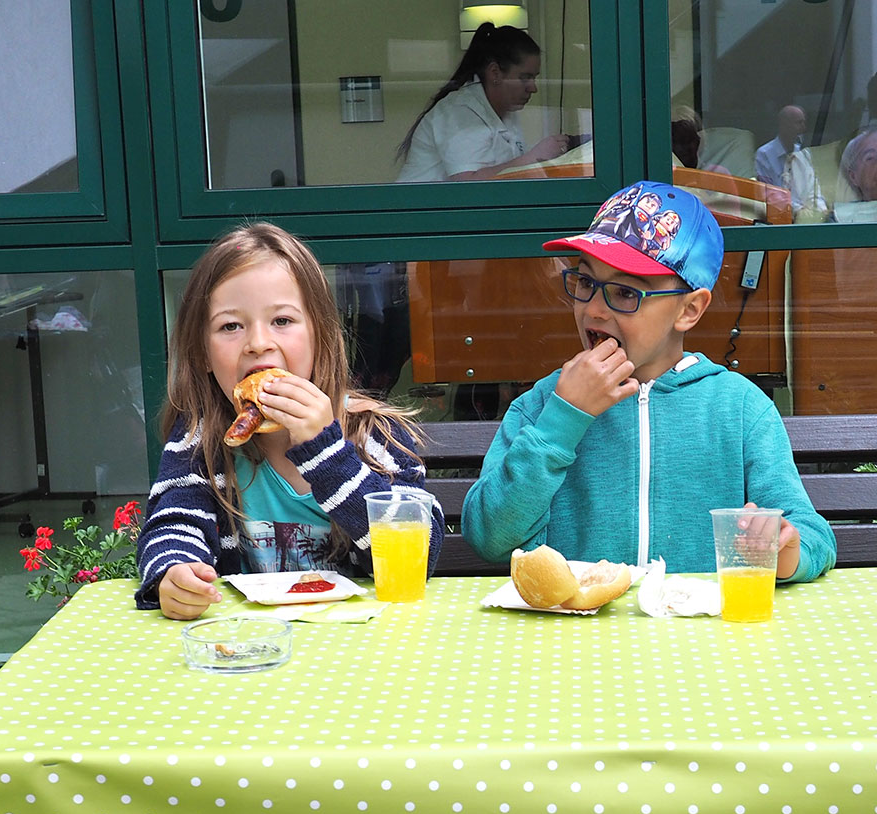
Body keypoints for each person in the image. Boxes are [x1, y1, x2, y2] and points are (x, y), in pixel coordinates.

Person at [461, 180, 836, 582]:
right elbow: (489, 537)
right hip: (573, 636)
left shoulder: (739, 409)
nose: (595, 310)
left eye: (624, 293)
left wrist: (784, 551)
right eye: (586, 283)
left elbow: (812, 534)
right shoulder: (542, 406)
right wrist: (561, 423)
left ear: (690, 310)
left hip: (702, 636)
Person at [134, 222, 443, 620]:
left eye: (282, 321)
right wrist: (174, 573)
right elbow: (174, 524)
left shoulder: (373, 434)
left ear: (320, 336)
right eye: (231, 326)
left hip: (364, 645)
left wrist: (328, 453)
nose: (258, 342)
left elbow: (424, 551)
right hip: (250, 646)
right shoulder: (201, 438)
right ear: (203, 356)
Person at [394, 22, 568, 183]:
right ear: (495, 73)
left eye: (534, 78)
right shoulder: (460, 112)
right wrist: (534, 158)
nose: (533, 88)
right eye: (524, 78)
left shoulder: (504, 111)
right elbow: (468, 183)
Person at [754, 104, 806, 188]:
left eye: (804, 122)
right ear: (784, 125)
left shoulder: (803, 153)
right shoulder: (764, 154)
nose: (803, 127)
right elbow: (767, 191)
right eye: (799, 123)